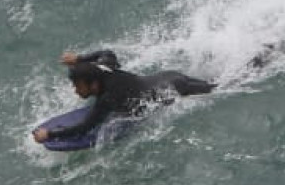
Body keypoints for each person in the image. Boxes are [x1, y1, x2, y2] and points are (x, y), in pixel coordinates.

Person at [31, 47, 216, 144]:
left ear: (93, 84)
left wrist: (50, 134)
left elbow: (85, 128)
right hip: (170, 76)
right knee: (217, 84)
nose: (76, 91)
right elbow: (107, 53)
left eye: (78, 86)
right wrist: (80, 59)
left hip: (175, 91)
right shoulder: (105, 67)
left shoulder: (108, 97)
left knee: (219, 89)